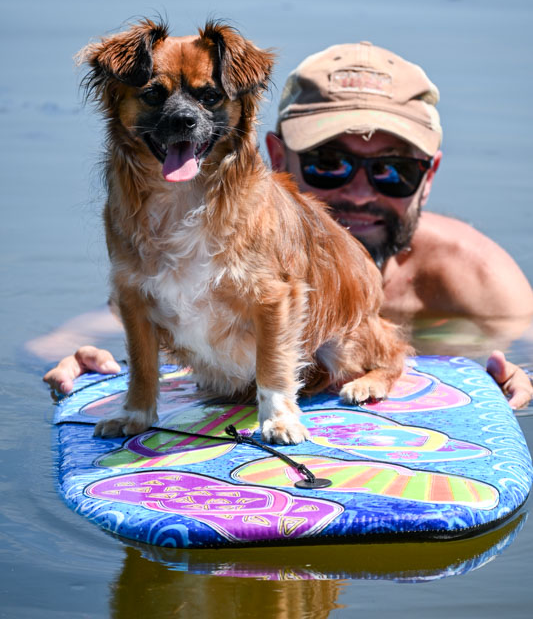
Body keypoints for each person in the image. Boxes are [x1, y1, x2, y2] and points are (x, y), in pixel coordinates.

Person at [42, 40, 533, 406]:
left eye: (393, 171)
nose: (359, 192)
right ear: (275, 156)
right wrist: (87, 367)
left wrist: (524, 379)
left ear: (430, 175)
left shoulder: (478, 281)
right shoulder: (175, 251)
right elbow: (58, 344)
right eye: (329, 163)